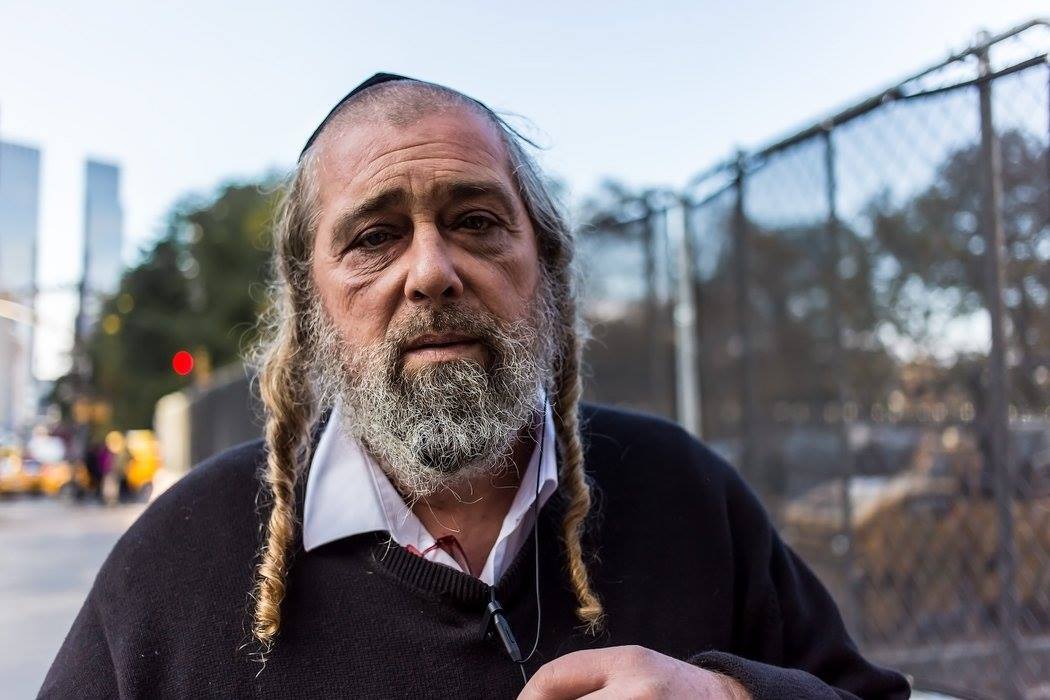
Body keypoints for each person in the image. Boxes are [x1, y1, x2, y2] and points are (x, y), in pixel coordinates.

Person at [40, 74, 909, 699]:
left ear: (546, 269)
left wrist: (730, 695)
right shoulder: (177, 562)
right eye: (375, 237)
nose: (431, 271)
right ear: (310, 304)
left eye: (477, 221)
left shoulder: (686, 493)